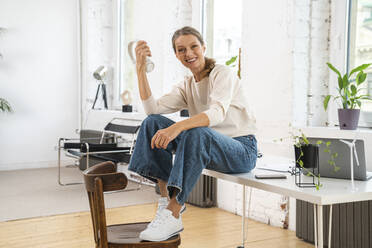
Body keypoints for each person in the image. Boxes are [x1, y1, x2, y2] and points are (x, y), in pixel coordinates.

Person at [128, 26, 257, 242]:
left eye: (193, 46)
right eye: (181, 50)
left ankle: (173, 212)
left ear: (203, 47)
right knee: (152, 123)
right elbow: (152, 110)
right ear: (176, 55)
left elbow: (216, 113)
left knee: (197, 131)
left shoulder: (222, 74)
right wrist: (140, 70)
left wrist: (177, 127)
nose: (189, 53)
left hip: (241, 150)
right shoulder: (187, 85)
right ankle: (166, 201)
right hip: (207, 146)